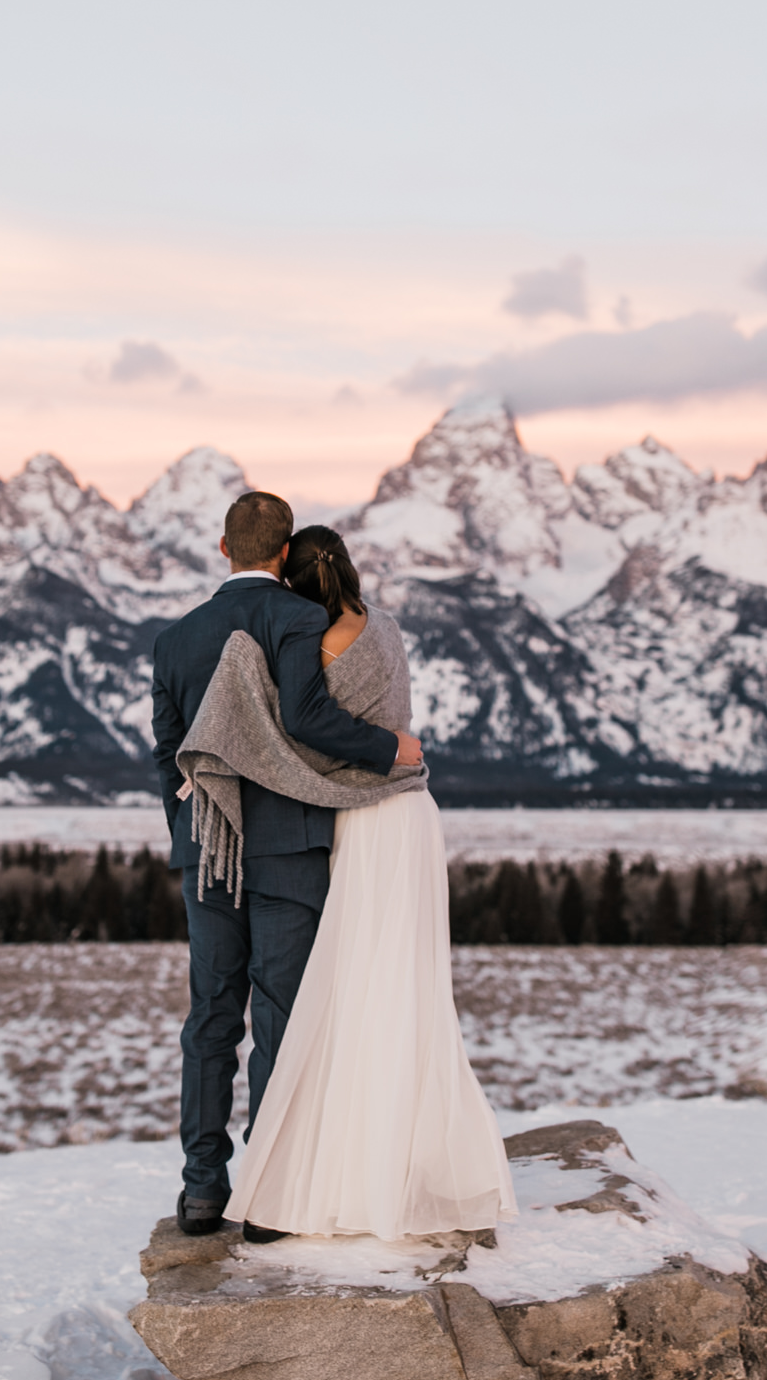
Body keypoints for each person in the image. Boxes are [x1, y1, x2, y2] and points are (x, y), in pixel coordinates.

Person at [201, 525, 517, 1243]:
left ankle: (340, 1172)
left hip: (369, 820)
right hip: (415, 813)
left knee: (353, 991)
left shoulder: (308, 644)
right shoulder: (390, 627)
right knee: (411, 992)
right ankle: (414, 1164)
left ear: (296, 582)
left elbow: (298, 726)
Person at [150, 492, 421, 1236]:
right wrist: (390, 749)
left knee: (211, 1013)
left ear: (222, 547)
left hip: (209, 848)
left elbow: (166, 753)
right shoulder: (301, 619)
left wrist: (194, 826)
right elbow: (307, 718)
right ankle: (269, 1195)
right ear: (281, 555)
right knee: (280, 1016)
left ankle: (204, 1189)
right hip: (290, 843)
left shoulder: (173, 641)